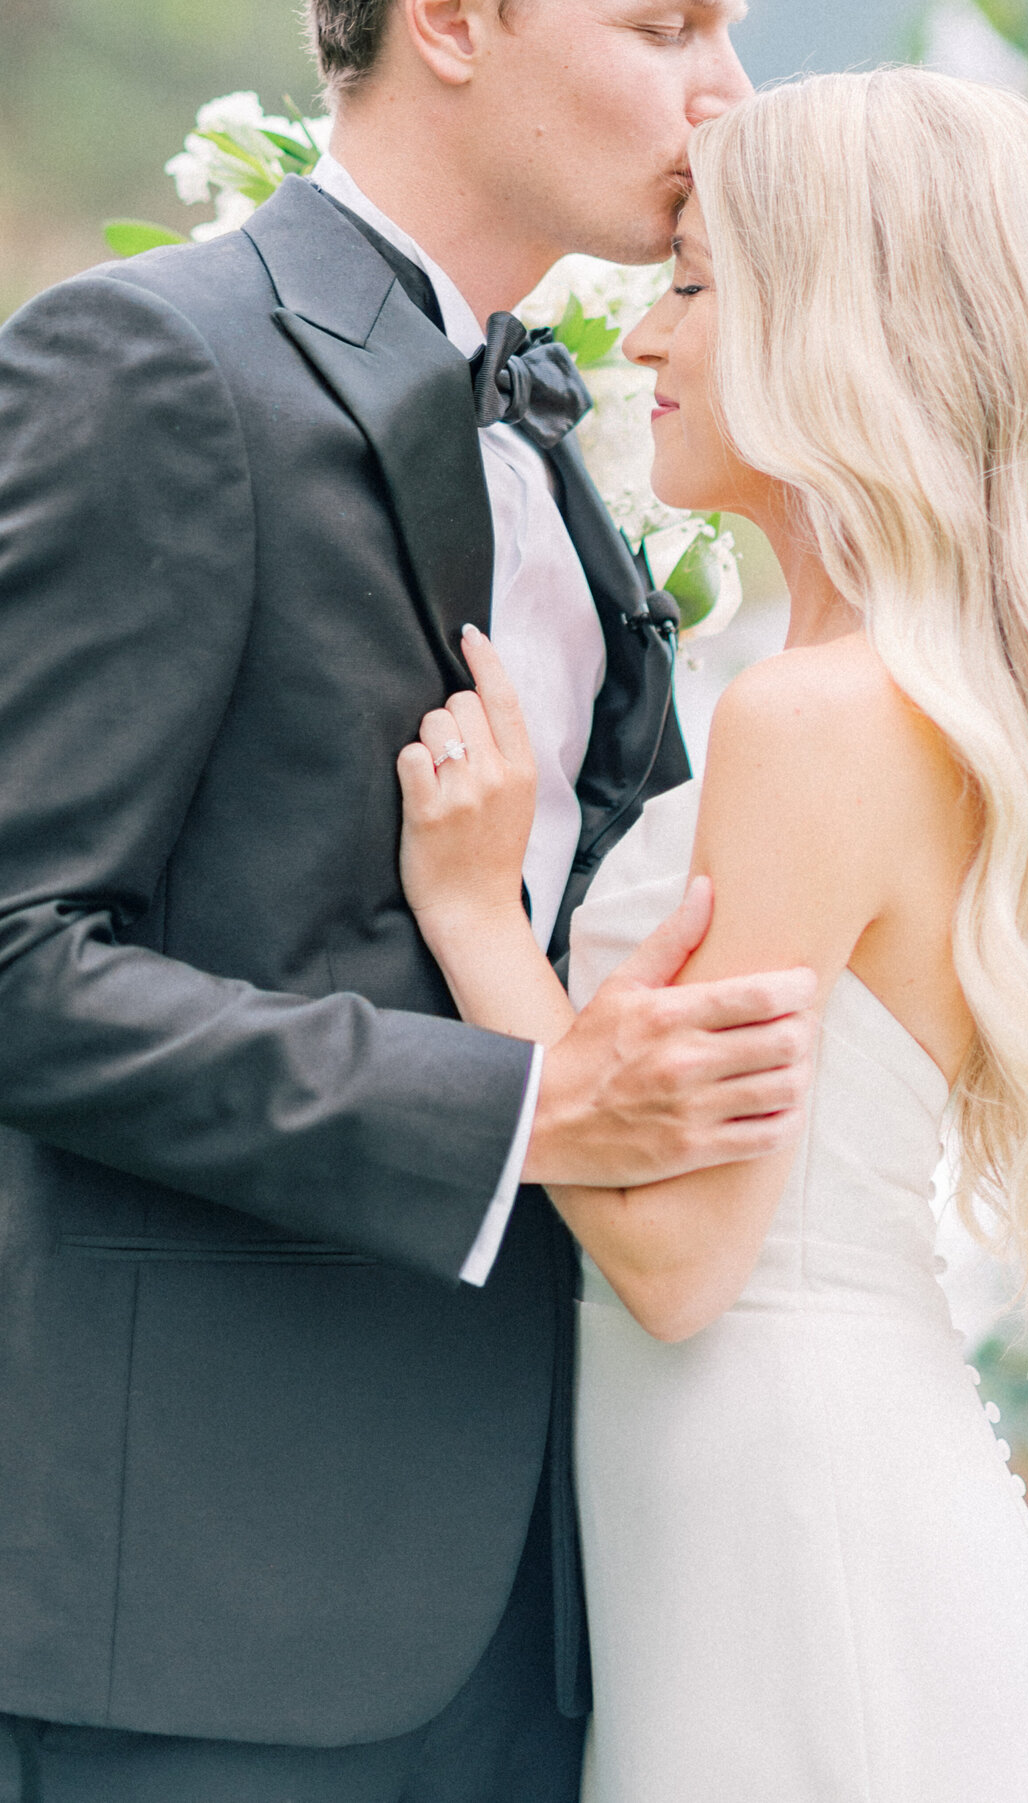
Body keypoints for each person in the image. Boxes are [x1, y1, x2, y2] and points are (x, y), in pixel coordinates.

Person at [0, 3, 821, 1799]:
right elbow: (19, 957)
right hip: (207, 1614)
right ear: (450, 19)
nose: (726, 95)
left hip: (554, 1600)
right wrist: (535, 1109)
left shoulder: (561, 422)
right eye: (664, 22)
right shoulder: (152, 359)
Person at [397, 69, 1028, 1801]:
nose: (643, 338)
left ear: (843, 324)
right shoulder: (917, 694)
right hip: (775, 1501)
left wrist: (476, 928)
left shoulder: (816, 717)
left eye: (692, 284)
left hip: (797, 1527)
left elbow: (683, 1259)